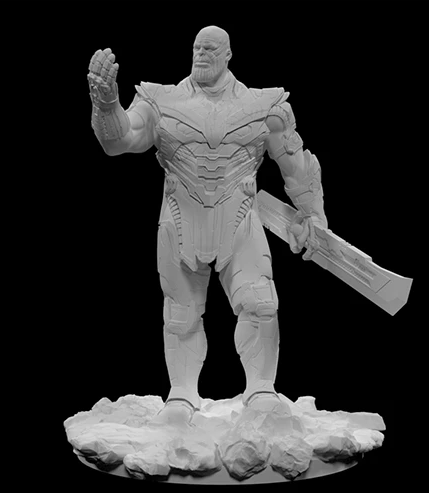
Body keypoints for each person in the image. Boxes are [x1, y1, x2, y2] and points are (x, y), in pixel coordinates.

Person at [87, 26, 328, 426]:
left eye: (210, 48)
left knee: (260, 304)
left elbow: (295, 165)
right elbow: (120, 140)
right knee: (180, 313)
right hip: (180, 216)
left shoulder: (263, 107)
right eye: (197, 47)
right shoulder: (161, 102)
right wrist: (106, 102)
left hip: (240, 216)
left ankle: (261, 389)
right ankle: (182, 393)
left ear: (228, 54)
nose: (201, 53)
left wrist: (313, 214)